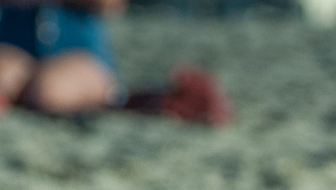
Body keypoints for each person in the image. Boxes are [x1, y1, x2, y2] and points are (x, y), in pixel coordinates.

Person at [0, 0, 232, 124]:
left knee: (48, 91)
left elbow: (111, 3)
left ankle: (135, 101)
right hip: (15, 46)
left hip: (76, 50)